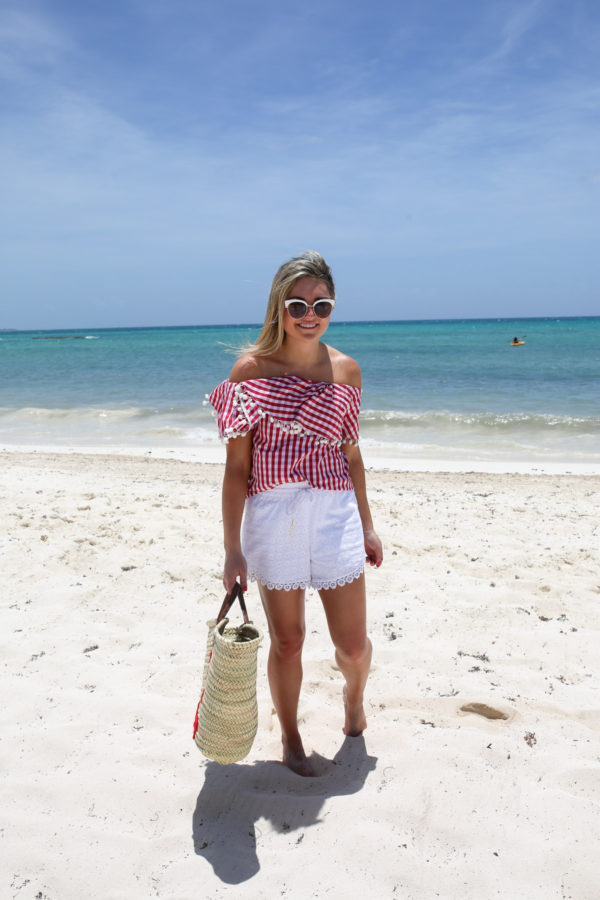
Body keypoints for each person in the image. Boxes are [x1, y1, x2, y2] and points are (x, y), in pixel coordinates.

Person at [209, 251, 383, 776]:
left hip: (334, 515)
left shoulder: (347, 370)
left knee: (352, 648)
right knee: (289, 641)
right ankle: (290, 738)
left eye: (322, 304)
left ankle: (354, 700)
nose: (311, 313)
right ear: (278, 307)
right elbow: (236, 470)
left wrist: (368, 525)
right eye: (298, 303)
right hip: (274, 514)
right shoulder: (250, 371)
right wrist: (232, 548)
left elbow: (351, 455)